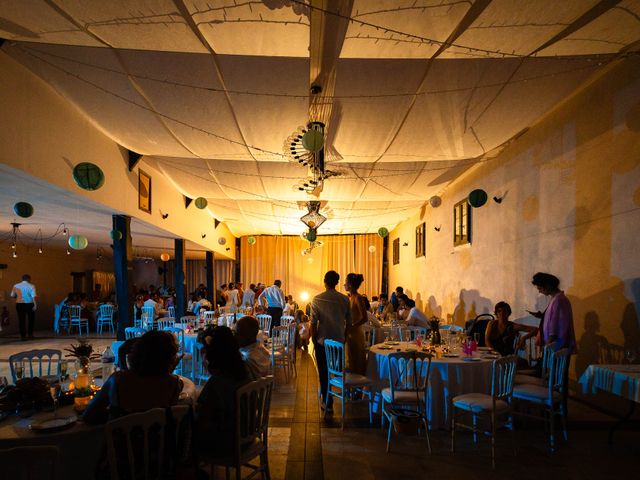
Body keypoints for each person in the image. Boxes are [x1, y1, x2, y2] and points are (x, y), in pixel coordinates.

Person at [83, 330, 182, 424]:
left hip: (122, 441)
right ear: (170, 358)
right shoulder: (174, 383)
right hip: (158, 441)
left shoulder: (118, 380)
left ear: (137, 352)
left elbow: (89, 415)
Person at [196, 326, 251, 459]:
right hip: (248, 432)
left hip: (228, 441)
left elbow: (203, 415)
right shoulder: (243, 370)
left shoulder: (217, 383)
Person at [311, 270, 351, 412]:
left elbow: (313, 323)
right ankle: (340, 395)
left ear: (324, 281)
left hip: (323, 340)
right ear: (337, 282)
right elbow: (349, 323)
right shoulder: (345, 299)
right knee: (337, 370)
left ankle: (327, 401)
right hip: (338, 340)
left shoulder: (317, 299)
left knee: (323, 371)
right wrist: (344, 337)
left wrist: (314, 340)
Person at [529, 273, 576, 353]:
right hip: (557, 345)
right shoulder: (557, 299)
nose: (540, 291)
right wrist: (542, 316)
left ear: (547, 286)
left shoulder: (558, 300)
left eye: (540, 288)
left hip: (556, 347)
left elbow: (554, 327)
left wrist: (547, 346)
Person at [344, 273, 368, 375]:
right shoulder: (350, 297)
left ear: (350, 285)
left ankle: (358, 386)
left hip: (356, 333)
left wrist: (352, 326)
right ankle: (351, 387)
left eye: (345, 283)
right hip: (349, 332)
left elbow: (364, 317)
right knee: (350, 359)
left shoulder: (358, 298)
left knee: (357, 360)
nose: (344, 285)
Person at [11, 274, 37, 341]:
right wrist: (35, 305)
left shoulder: (15, 285)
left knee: (21, 320)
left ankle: (23, 336)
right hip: (29, 304)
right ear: (28, 279)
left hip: (19, 304)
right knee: (31, 320)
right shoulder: (31, 286)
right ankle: (30, 335)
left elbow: (12, 295)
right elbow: (33, 296)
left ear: (22, 279)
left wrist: (17, 296)